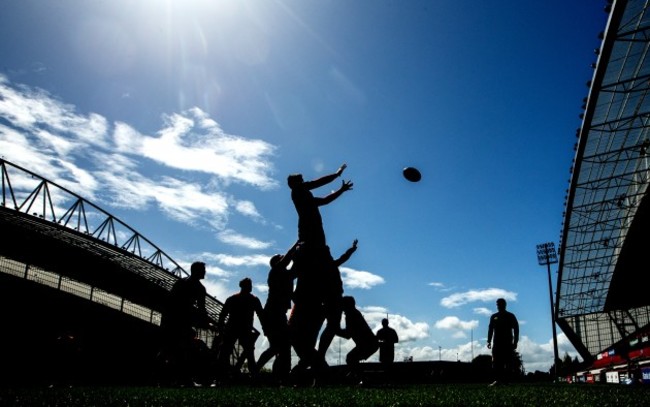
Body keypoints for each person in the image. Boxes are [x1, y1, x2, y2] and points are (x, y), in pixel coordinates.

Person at [256, 241, 301, 383]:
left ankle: (278, 377)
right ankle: (255, 370)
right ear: (277, 262)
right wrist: (296, 244)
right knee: (277, 347)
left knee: (283, 348)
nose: (283, 259)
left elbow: (296, 268)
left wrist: (298, 254)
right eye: (280, 258)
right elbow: (288, 258)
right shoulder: (276, 271)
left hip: (279, 313)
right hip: (273, 313)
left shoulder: (286, 274)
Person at [159, 261, 211, 386]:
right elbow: (201, 309)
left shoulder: (182, 283)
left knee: (171, 349)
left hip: (172, 319)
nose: (205, 272)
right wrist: (205, 322)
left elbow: (170, 300)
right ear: (196, 271)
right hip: (180, 321)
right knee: (182, 349)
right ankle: (182, 378)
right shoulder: (199, 288)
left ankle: (166, 378)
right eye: (203, 270)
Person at [287, 163, 353, 247]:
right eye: (301, 181)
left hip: (314, 228)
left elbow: (324, 198)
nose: (304, 182)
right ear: (294, 184)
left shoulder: (302, 195)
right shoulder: (297, 191)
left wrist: (340, 188)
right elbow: (319, 184)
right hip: (309, 230)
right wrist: (337, 175)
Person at [317, 239, 359, 360]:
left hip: (332, 299)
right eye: (328, 253)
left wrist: (352, 248)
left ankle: (321, 353)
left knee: (332, 327)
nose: (330, 254)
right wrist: (352, 249)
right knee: (332, 327)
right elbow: (344, 257)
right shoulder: (327, 266)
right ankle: (321, 354)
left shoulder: (328, 266)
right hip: (332, 300)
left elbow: (344, 257)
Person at [217, 277, 265, 379]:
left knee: (226, 352)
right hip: (243, 329)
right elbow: (261, 316)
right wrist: (265, 328)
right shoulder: (253, 300)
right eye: (249, 285)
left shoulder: (232, 299)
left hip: (233, 328)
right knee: (248, 353)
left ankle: (222, 375)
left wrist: (221, 329)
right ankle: (253, 375)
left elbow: (222, 315)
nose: (250, 287)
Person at [337, 296, 378, 382]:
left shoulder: (351, 314)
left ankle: (361, 378)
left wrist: (335, 331)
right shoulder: (353, 313)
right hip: (369, 343)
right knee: (352, 358)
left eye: (342, 305)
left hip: (368, 344)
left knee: (351, 358)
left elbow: (348, 334)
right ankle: (357, 376)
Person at [487, 298, 519, 386]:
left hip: (508, 343)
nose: (499, 306)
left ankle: (507, 381)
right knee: (496, 362)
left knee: (508, 362)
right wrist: (489, 341)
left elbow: (516, 329)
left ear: (505, 305)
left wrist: (515, 341)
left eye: (501, 304)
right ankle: (497, 380)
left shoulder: (510, 316)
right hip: (497, 343)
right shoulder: (494, 316)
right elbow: (490, 329)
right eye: (498, 304)